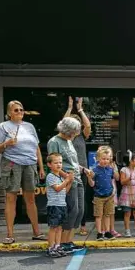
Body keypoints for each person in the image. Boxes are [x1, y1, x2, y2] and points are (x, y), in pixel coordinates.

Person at [0, 100, 45, 244]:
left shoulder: (29, 126)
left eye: (21, 110)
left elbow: (36, 147)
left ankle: (37, 232)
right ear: (9, 112)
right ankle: (10, 234)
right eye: (16, 110)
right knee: (11, 198)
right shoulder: (3, 126)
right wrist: (6, 143)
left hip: (30, 163)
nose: (20, 112)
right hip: (12, 163)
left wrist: (41, 167)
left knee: (30, 199)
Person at [47, 117, 89, 253]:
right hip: (68, 179)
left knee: (80, 211)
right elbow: (55, 163)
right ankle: (63, 242)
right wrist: (66, 177)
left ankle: (69, 241)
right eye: (73, 132)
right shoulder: (54, 142)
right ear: (67, 130)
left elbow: (73, 162)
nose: (74, 135)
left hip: (77, 177)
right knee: (72, 210)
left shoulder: (69, 141)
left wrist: (83, 169)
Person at [64, 97, 92, 236]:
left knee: (82, 200)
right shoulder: (66, 137)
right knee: (70, 200)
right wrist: (69, 109)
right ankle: (69, 226)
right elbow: (63, 123)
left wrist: (80, 109)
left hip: (83, 170)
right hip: (69, 171)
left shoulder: (82, 136)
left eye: (78, 123)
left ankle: (82, 225)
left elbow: (88, 126)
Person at [45, 152, 74, 258]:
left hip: (62, 204)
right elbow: (57, 188)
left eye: (60, 162)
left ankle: (58, 246)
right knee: (53, 227)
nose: (59, 165)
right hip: (54, 205)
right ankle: (51, 247)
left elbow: (64, 191)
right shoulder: (50, 176)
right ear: (49, 164)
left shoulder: (61, 178)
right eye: (56, 162)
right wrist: (67, 180)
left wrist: (69, 182)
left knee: (60, 227)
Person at [88, 148, 119, 240]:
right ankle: (99, 233)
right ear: (98, 159)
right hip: (99, 196)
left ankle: (107, 231)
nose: (105, 161)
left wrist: (115, 170)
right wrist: (89, 178)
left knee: (108, 214)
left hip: (109, 196)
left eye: (107, 159)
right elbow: (92, 184)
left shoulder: (110, 169)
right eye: (103, 159)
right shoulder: (95, 170)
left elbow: (117, 178)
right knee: (99, 215)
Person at [119, 150, 135, 237]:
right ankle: (127, 231)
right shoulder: (124, 170)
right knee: (127, 213)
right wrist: (128, 178)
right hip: (127, 194)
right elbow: (122, 182)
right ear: (131, 161)